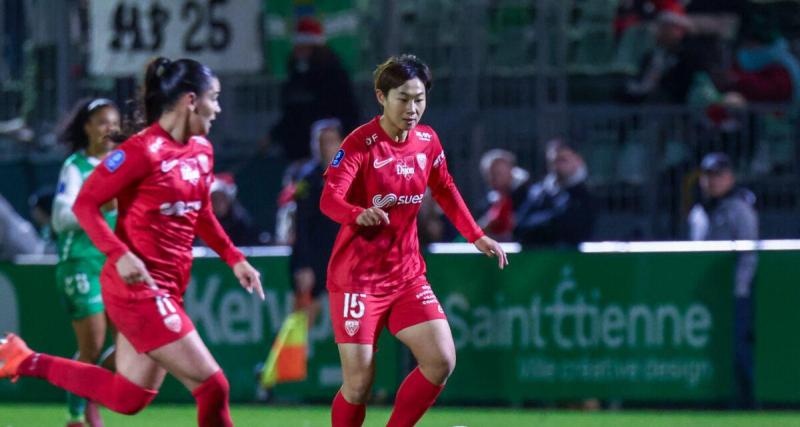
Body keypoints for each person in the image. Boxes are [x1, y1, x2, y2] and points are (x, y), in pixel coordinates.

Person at [0, 57, 264, 427]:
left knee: (128, 397)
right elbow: (85, 204)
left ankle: (24, 360)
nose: (218, 108)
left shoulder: (201, 151)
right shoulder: (141, 151)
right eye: (214, 98)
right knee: (213, 386)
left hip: (169, 288)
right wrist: (119, 254)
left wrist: (234, 258)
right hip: (136, 290)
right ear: (190, 100)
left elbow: (200, 211)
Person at [320, 54, 508, 427]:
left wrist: (476, 235)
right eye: (403, 98)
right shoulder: (361, 143)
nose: (412, 108)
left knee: (440, 361)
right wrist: (356, 213)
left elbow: (444, 188)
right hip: (357, 280)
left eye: (419, 98)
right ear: (381, 97)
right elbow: (329, 198)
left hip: (406, 276)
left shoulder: (426, 141)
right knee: (359, 385)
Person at [51, 97, 121, 427]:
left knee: (131, 348)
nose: (110, 128)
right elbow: (60, 217)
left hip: (118, 264)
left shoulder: (123, 165)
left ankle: (91, 394)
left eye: (114, 121)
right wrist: (99, 207)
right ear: (87, 128)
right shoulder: (75, 167)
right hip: (80, 262)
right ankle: (76, 416)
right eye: (102, 122)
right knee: (91, 346)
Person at [687, 152, 758, 408]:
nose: (712, 181)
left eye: (718, 175)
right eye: (708, 176)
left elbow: (748, 254)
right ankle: (713, 399)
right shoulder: (699, 211)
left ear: (729, 177)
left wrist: (740, 289)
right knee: (710, 348)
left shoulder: (740, 208)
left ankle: (748, 401)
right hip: (708, 294)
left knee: (738, 347)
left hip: (735, 293)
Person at [268, 16, 359, 163]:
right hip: (299, 152)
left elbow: (347, 112)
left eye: (303, 47)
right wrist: (273, 136)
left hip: (326, 153)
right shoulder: (295, 75)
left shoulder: (334, 75)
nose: (298, 51)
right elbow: (291, 115)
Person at [514, 140, 596, 247]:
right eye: (553, 161)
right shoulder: (538, 192)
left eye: (563, 160)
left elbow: (574, 231)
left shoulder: (588, 193)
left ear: (578, 161)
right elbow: (519, 226)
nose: (557, 166)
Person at [477, 149, 530, 242]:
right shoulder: (488, 202)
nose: (492, 179)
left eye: (497, 173)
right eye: (489, 175)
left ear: (510, 171)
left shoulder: (529, 196)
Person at [208, 172, 265, 246]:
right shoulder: (200, 220)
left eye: (221, 198)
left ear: (228, 199)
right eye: (213, 198)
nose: (217, 202)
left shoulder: (242, 221)